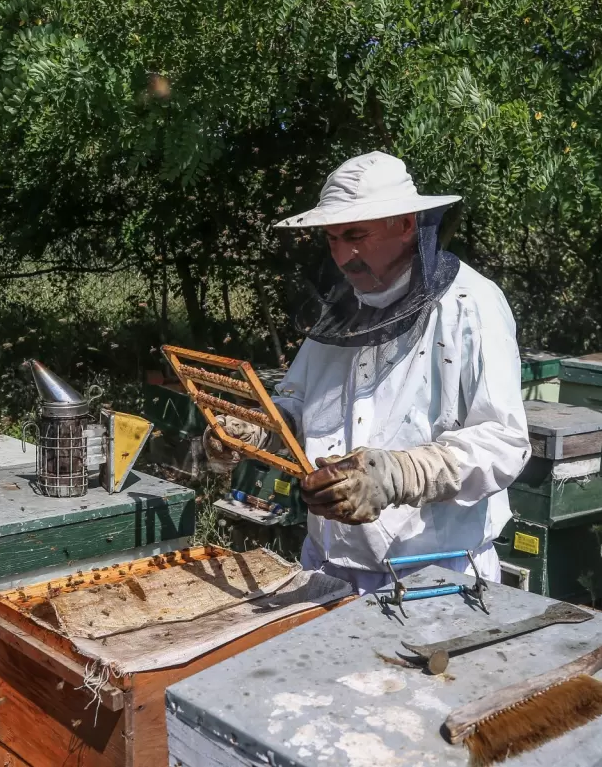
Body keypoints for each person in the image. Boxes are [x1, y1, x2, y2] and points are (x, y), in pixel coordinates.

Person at [205, 151, 529, 594]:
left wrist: (397, 474)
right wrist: (258, 429)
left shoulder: (471, 305)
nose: (343, 255)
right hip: (327, 564)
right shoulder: (340, 310)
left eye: (356, 235)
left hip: (434, 576)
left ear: (406, 224)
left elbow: (504, 442)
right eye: (333, 238)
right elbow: (301, 404)